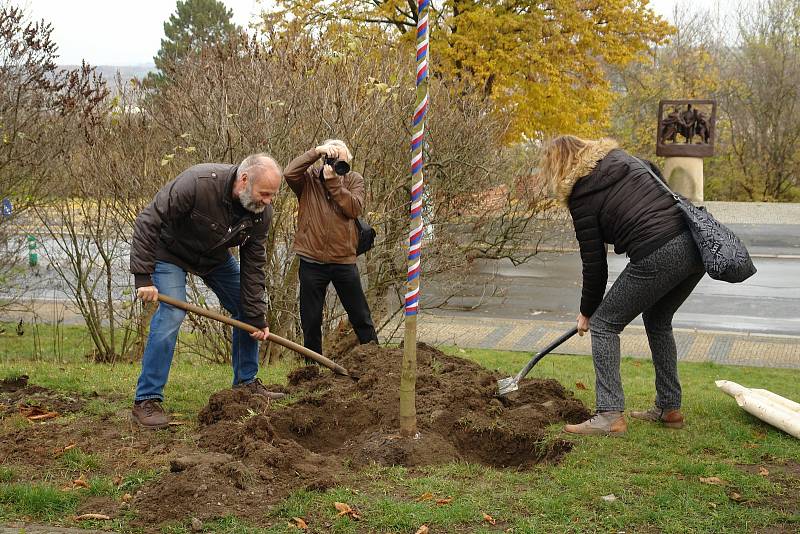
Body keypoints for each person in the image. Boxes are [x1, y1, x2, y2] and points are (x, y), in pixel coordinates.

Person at [539, 135, 704, 436]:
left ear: (560, 165)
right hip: (695, 245)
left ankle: (609, 415)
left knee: (604, 325)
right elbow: (660, 185)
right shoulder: (627, 160)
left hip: (661, 249)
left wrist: (587, 312)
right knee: (657, 319)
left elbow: (594, 262)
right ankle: (670, 408)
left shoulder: (581, 194)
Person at [129, 154, 284, 429]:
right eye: (265, 194)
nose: (268, 201)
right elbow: (148, 220)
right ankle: (147, 400)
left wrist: (257, 317)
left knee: (247, 311)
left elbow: (254, 267)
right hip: (170, 254)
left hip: (213, 259)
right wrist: (143, 277)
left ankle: (246, 384)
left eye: (272, 195)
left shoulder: (261, 214)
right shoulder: (199, 182)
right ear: (244, 180)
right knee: (174, 311)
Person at [284, 140, 378, 356]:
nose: (338, 164)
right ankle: (312, 368)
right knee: (310, 319)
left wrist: (334, 183)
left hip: (343, 259)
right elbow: (289, 173)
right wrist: (315, 152)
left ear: (349, 161)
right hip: (311, 259)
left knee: (361, 315)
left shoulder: (354, 179)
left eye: (342, 160)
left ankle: (376, 361)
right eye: (333, 159)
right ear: (325, 159)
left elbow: (354, 209)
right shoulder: (309, 180)